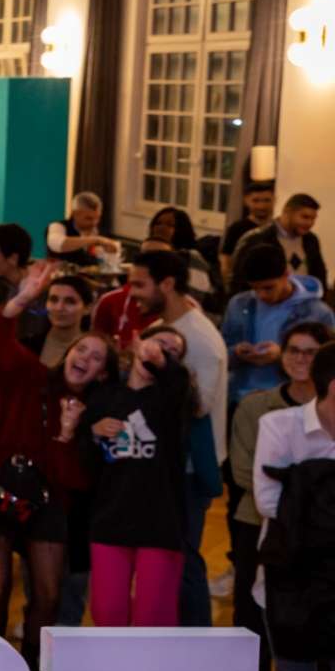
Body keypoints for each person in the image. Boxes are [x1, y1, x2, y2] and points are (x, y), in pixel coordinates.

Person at [0, 260, 107, 671]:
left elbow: (74, 480)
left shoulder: (90, 414)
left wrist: (68, 435)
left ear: (101, 373)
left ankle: (29, 669)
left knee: (47, 594)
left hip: (48, 500)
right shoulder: (30, 376)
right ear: (67, 355)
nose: (84, 359)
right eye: (80, 352)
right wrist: (23, 297)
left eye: (95, 358)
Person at [223, 321, 335, 671]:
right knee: (254, 630)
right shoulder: (260, 409)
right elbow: (253, 483)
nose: (300, 359)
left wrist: (302, 491)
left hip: (315, 553)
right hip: (261, 533)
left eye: (311, 352)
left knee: (315, 653)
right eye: (294, 350)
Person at [77, 325, 194, 671]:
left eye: (173, 350)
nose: (163, 352)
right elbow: (82, 457)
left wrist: (166, 364)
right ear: (135, 345)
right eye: (158, 342)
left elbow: (177, 384)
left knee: (153, 613)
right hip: (110, 521)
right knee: (108, 610)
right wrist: (91, 433)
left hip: (160, 523)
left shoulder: (171, 398)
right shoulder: (105, 396)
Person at [248, 342, 335, 671]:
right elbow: (268, 500)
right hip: (290, 590)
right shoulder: (280, 427)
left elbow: (290, 501)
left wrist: (306, 487)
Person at [127, 249, 228, 626]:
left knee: (184, 559)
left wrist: (157, 369)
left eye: (140, 284)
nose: (132, 292)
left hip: (187, 469)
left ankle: (196, 649)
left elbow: (200, 405)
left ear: (166, 285)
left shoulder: (198, 339)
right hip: (167, 463)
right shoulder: (173, 327)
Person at [223, 244, 335, 409]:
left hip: (291, 404)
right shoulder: (239, 303)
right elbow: (222, 353)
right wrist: (237, 352)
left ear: (286, 274)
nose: (261, 295)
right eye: (254, 288)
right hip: (239, 398)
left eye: (268, 288)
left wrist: (282, 355)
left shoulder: (317, 313)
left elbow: (327, 366)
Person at [235, 193, 326, 290]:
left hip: (304, 301)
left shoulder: (311, 240)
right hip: (267, 302)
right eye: (305, 217)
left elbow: (319, 274)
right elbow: (238, 279)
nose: (310, 223)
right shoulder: (256, 239)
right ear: (287, 212)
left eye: (313, 219)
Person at [46, 191, 120, 266]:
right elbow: (58, 244)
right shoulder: (58, 226)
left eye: (97, 218)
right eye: (89, 218)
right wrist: (96, 240)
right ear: (75, 214)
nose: (94, 223)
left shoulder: (101, 232)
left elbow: (110, 265)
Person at [223, 180, 277, 258]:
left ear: (274, 200)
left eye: (267, 200)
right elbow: (225, 260)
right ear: (246, 201)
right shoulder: (236, 228)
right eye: (255, 201)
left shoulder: (278, 228)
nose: (261, 206)